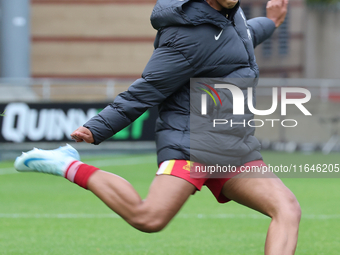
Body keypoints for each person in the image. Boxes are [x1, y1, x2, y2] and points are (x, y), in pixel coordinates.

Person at [15, 0, 301, 254]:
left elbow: (245, 36)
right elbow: (147, 88)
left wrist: (271, 22)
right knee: (149, 218)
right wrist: (97, 127)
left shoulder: (232, 18)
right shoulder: (185, 36)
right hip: (193, 144)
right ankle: (67, 165)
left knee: (286, 208)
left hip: (232, 147)